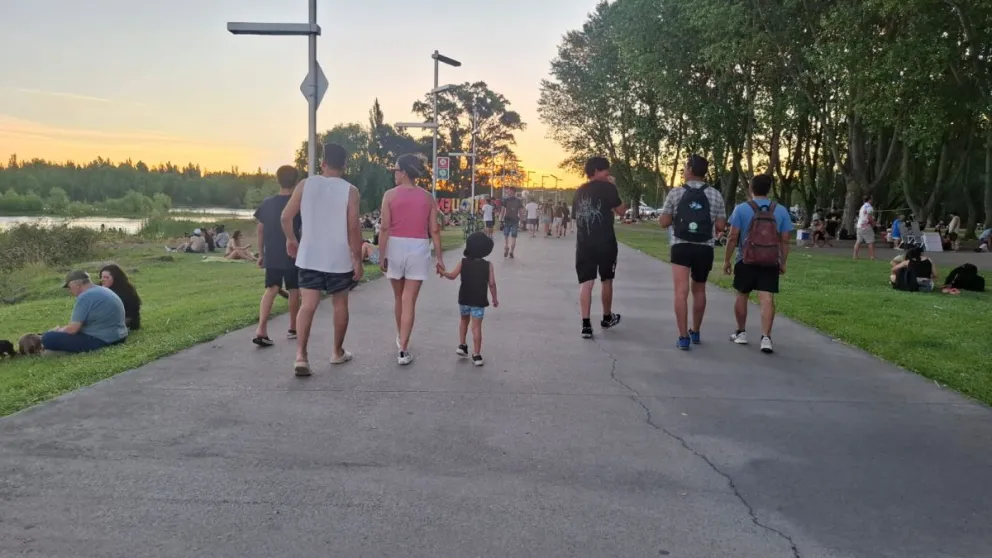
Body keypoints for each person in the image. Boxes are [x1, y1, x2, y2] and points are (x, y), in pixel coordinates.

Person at [281, 143, 363, 376]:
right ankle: (337, 352)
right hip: (338, 257)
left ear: (323, 164)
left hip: (310, 254)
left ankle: (301, 356)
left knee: (307, 305)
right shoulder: (350, 190)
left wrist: (291, 240)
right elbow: (353, 227)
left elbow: (286, 216)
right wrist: (357, 258)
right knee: (340, 303)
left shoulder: (305, 185)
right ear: (344, 166)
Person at [380, 153, 443, 366]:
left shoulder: (389, 196)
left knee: (399, 298)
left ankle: (401, 337)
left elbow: (385, 228)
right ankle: (404, 348)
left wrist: (381, 255)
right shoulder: (427, 198)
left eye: (396, 170)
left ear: (404, 172)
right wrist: (440, 258)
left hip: (395, 245)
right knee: (409, 301)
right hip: (418, 247)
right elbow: (434, 229)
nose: (394, 174)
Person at [659, 154, 727, 350]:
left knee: (681, 291)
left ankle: (682, 337)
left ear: (689, 168)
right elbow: (721, 225)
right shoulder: (715, 194)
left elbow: (663, 222)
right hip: (704, 247)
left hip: (681, 245)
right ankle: (695, 331)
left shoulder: (676, 193)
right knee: (699, 290)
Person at [722, 175, 794, 354]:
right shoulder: (781, 210)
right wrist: (782, 262)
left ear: (751, 189)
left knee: (742, 294)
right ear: (769, 190)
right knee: (767, 297)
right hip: (770, 260)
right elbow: (785, 240)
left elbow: (732, 237)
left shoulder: (741, 209)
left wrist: (727, 260)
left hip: (745, 258)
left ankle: (741, 332)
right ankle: (766, 337)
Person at [573, 157, 627, 339]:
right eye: (606, 171)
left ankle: (586, 324)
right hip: (605, 241)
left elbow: (576, 216)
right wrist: (614, 188)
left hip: (584, 242)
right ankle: (606, 316)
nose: (608, 175)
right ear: (597, 170)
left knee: (586, 282)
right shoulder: (608, 188)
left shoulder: (579, 191)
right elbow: (621, 211)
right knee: (606, 279)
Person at [253, 165, 303, 347]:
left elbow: (260, 229)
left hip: (272, 252)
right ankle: (293, 327)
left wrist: (261, 253)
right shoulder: (298, 203)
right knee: (294, 290)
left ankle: (261, 329)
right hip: (293, 251)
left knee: (271, 289)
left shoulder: (267, 203)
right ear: (296, 182)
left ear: (277, 179)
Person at [438, 232, 499, 366]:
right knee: (476, 327)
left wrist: (442, 272)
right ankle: (477, 355)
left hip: (464, 298)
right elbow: (492, 284)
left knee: (463, 321)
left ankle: (462, 345)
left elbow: (452, 275)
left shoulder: (463, 262)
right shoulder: (488, 265)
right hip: (478, 300)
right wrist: (494, 298)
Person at [41, 270, 128, 354]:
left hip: (103, 340)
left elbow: (72, 329)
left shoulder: (85, 297)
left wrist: (56, 331)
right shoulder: (104, 290)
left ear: (76, 284)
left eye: (69, 287)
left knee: (48, 338)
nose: (69, 290)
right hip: (120, 336)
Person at [99, 264, 141, 331]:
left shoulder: (128, 291)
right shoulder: (99, 289)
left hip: (126, 321)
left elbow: (131, 315)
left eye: (106, 277)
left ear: (116, 278)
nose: (103, 280)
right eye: (102, 277)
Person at [500, 187, 524, 258]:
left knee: (506, 236)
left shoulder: (505, 200)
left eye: (509, 191)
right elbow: (520, 212)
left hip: (507, 220)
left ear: (513, 191)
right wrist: (521, 222)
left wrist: (501, 220)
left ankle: (506, 247)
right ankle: (511, 251)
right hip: (515, 220)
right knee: (514, 237)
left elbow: (503, 211)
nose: (507, 192)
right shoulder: (519, 201)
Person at [854, 194, 876, 260]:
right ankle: (872, 256)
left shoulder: (862, 207)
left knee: (858, 241)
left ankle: (855, 255)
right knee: (870, 241)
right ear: (870, 199)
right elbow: (869, 217)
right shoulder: (869, 207)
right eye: (872, 199)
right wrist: (874, 223)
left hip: (859, 226)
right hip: (866, 226)